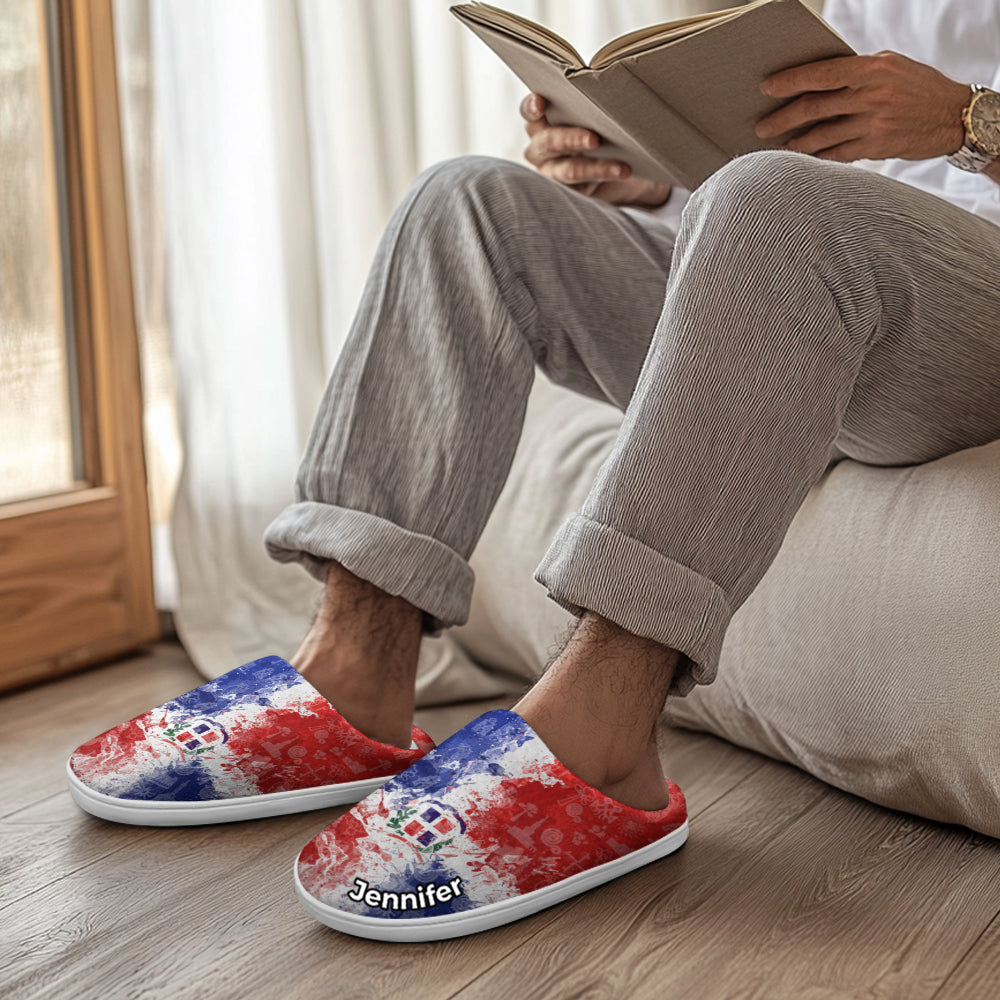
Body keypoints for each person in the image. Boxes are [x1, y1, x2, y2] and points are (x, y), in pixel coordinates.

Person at [67, 0, 1000, 942]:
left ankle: (602, 744)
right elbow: (813, 161)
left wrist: (972, 120)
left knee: (776, 200)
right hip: (822, 272)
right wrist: (654, 180)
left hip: (971, 296)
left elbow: (846, 178)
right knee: (470, 200)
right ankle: (356, 674)